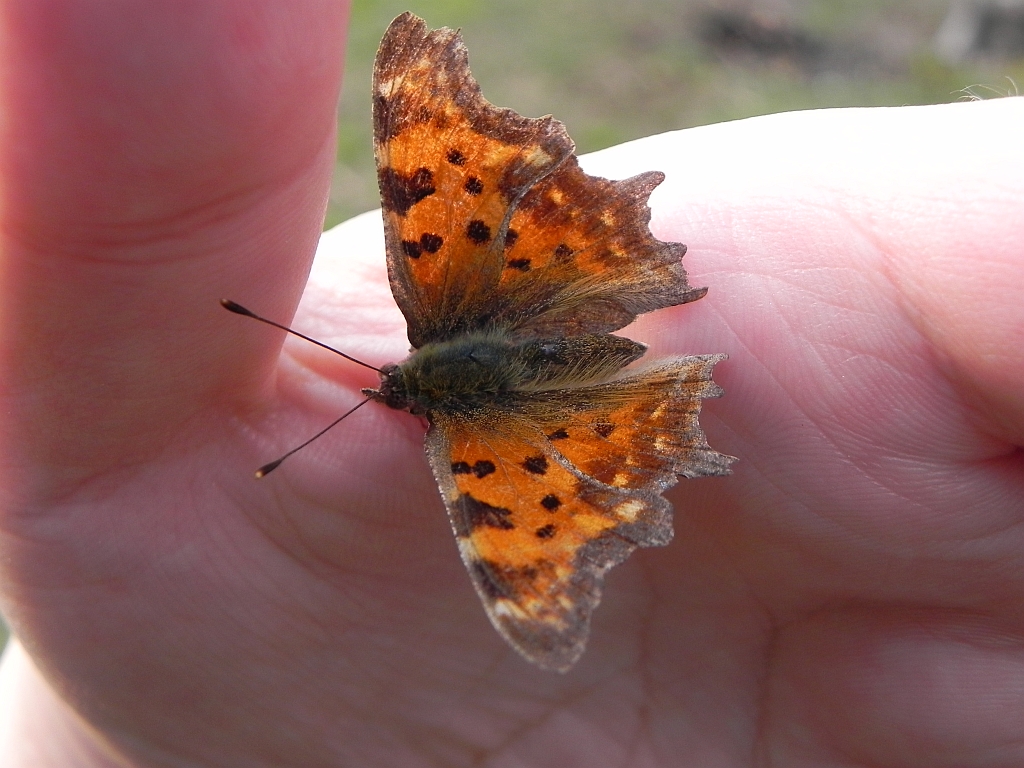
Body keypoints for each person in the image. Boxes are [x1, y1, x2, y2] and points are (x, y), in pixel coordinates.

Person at [0, 3, 1021, 766]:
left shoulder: (466, 455)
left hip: (563, 348)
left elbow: (517, 536)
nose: (392, 395)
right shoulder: (431, 304)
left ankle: (648, 409)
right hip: (544, 279)